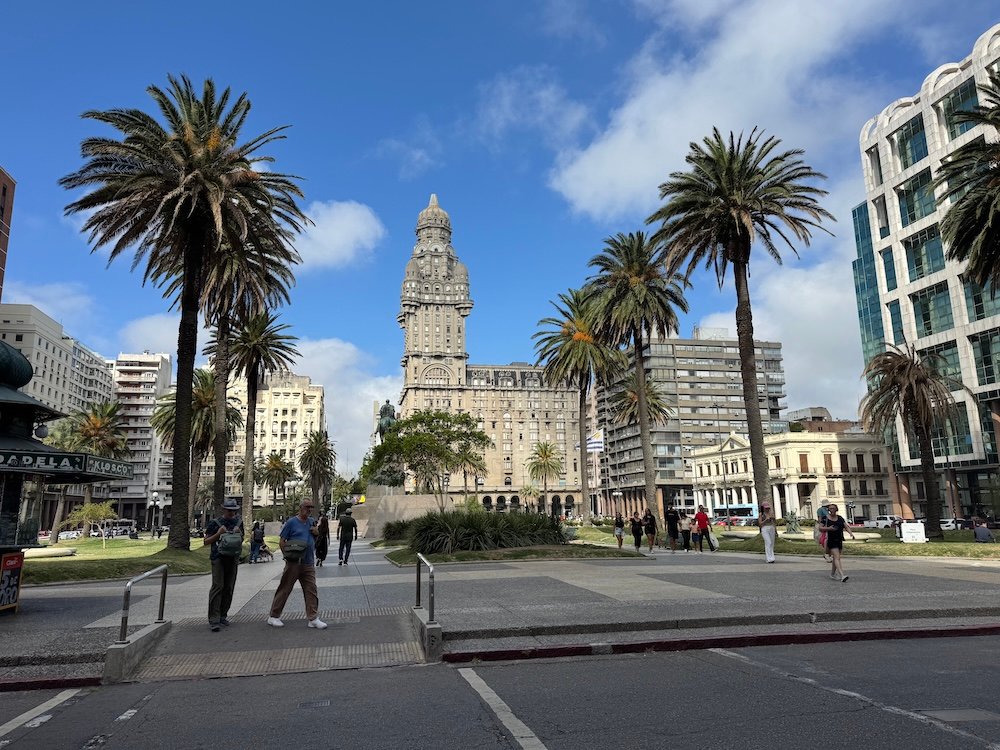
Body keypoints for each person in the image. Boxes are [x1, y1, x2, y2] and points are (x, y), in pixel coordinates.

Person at [267, 500, 327, 629]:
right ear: (300, 508)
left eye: (311, 507)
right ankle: (274, 616)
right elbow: (282, 541)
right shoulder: (291, 522)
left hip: (308, 562)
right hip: (294, 562)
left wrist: (316, 533)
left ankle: (313, 618)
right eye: (307, 507)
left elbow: (314, 539)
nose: (309, 509)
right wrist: (286, 557)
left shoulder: (311, 522)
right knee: (285, 588)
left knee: (311, 590)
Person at [204, 498, 244, 632]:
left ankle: (223, 615)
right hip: (218, 558)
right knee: (218, 586)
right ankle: (214, 619)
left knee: (229, 587)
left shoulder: (239, 522)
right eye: (229, 510)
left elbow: (241, 540)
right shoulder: (215, 523)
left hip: (232, 558)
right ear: (224, 509)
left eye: (234, 511)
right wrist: (218, 534)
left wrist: (240, 534)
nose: (232, 513)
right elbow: (206, 541)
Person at [820, 503, 854, 582]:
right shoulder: (825, 518)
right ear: (828, 510)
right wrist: (829, 528)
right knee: (837, 557)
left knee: (836, 558)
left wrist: (851, 533)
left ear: (836, 510)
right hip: (830, 540)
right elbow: (820, 528)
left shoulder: (840, 518)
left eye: (833, 508)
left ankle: (832, 574)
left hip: (839, 539)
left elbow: (846, 526)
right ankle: (842, 575)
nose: (832, 510)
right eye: (830, 509)